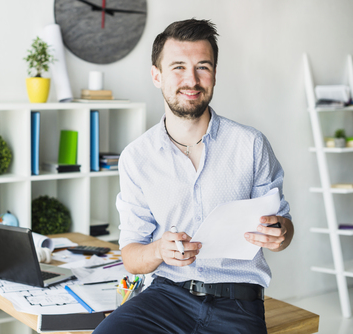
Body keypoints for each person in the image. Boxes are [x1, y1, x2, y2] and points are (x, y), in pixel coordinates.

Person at [93, 18, 294, 334]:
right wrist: (159, 250)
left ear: (214, 74)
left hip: (238, 302)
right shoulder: (136, 157)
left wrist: (281, 233)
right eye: (178, 67)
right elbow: (131, 256)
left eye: (203, 67)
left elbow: (283, 228)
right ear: (157, 75)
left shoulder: (251, 144)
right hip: (165, 297)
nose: (192, 79)